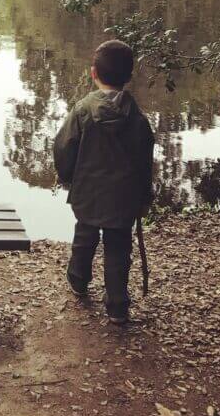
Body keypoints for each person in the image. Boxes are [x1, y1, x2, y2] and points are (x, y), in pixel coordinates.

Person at [53, 39, 154, 325]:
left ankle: (78, 279)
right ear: (129, 77)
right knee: (119, 247)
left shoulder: (83, 111)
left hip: (88, 192)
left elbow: (63, 147)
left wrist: (67, 177)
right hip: (124, 199)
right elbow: (145, 163)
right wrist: (144, 198)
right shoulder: (138, 120)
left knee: (84, 237)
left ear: (92, 73)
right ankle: (117, 305)